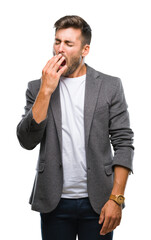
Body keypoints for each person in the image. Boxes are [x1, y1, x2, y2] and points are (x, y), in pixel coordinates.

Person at [17, 15, 134, 240]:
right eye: (57, 42)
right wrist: (45, 91)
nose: (60, 49)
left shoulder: (110, 86)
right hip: (54, 202)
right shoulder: (36, 88)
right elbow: (27, 141)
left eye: (69, 44)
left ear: (84, 49)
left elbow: (123, 144)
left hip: (100, 202)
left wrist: (116, 198)